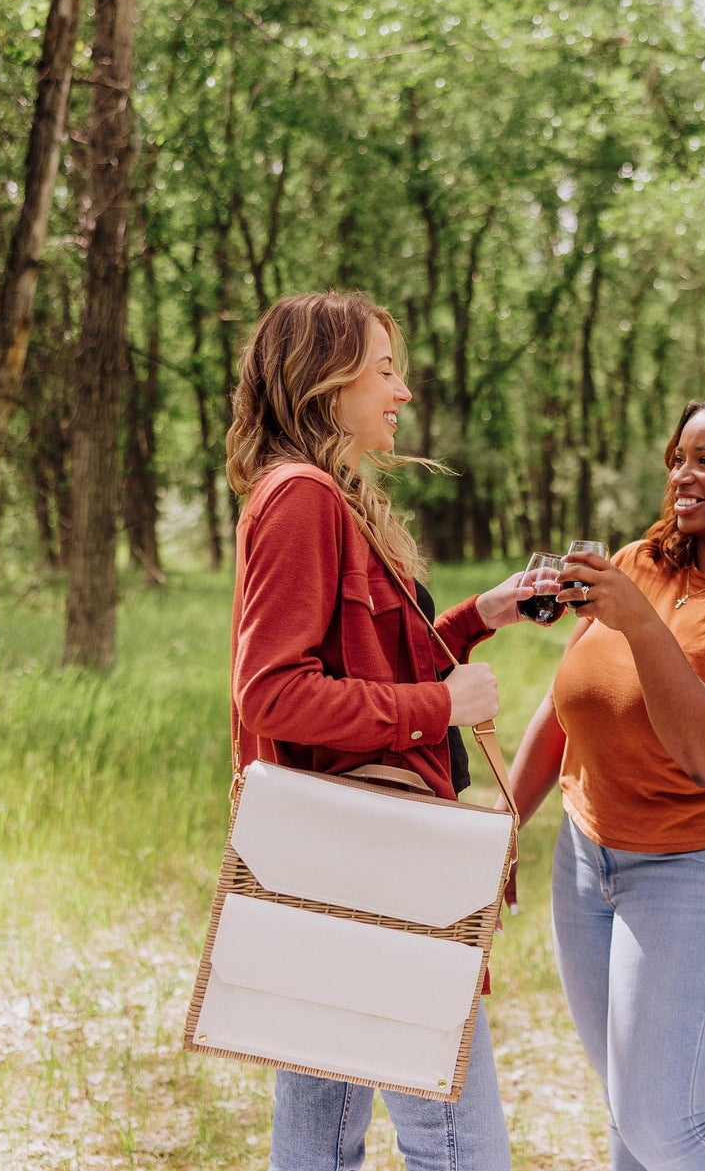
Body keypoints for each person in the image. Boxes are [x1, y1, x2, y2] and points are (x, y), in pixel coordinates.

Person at [225, 291, 532, 1171]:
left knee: (320, 1135)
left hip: (331, 865)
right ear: (327, 381)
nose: (403, 392)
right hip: (375, 862)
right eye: (386, 370)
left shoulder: (327, 497)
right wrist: (443, 707)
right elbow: (274, 693)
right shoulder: (303, 499)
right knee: (455, 1138)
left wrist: (480, 614)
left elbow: (364, 653)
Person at [505, 397, 705, 1171]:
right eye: (678, 458)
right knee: (630, 1113)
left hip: (700, 871)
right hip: (587, 863)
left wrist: (641, 625)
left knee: (665, 1125)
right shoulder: (638, 564)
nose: (681, 474)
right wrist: (502, 823)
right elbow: (564, 707)